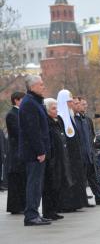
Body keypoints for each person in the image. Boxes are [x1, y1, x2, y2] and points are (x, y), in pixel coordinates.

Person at [19, 75, 51, 226]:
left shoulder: (34, 102)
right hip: (34, 153)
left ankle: (34, 213)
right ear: (32, 87)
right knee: (34, 184)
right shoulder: (29, 103)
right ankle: (31, 215)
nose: (43, 87)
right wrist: (40, 151)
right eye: (41, 84)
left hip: (36, 151)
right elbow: (33, 131)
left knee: (37, 184)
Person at [75, 97, 100, 205]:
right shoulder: (74, 119)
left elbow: (92, 137)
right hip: (81, 154)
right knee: (82, 180)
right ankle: (83, 200)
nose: (85, 106)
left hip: (89, 154)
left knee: (93, 179)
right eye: (82, 104)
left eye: (86, 104)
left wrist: (92, 151)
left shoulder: (87, 120)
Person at [57, 90, 88, 212]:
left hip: (75, 156)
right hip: (67, 156)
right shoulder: (61, 117)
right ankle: (68, 203)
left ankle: (77, 202)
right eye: (69, 101)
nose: (71, 104)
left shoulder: (70, 116)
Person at [42, 98, 70, 220]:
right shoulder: (46, 122)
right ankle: (48, 211)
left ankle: (54, 209)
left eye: (56, 108)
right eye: (53, 108)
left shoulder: (58, 121)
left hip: (60, 157)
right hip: (52, 158)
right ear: (47, 110)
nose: (56, 110)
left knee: (57, 184)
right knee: (50, 186)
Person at [6, 92, 26, 213]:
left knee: (22, 180)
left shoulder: (20, 113)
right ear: (16, 100)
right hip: (16, 152)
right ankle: (16, 207)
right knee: (16, 180)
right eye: (23, 100)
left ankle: (22, 205)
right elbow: (18, 132)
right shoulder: (12, 114)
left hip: (21, 151)